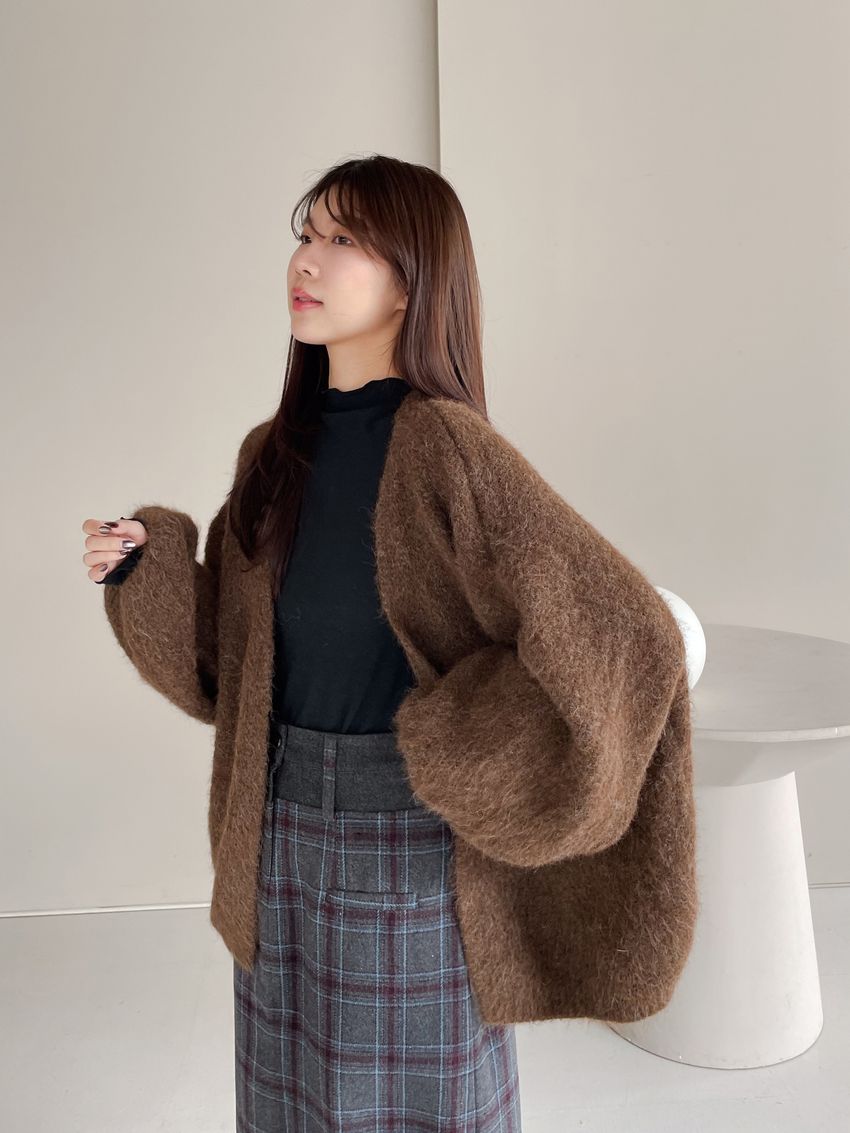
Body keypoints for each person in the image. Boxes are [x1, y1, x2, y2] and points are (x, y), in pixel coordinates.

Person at [81, 156, 525, 1131]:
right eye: (306, 233)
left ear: (411, 280)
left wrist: (473, 756)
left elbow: (583, 628)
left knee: (419, 1109)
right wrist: (146, 567)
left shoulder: (454, 452)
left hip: (410, 838)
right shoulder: (273, 453)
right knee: (289, 1106)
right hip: (274, 830)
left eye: (343, 239)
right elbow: (228, 665)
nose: (307, 259)